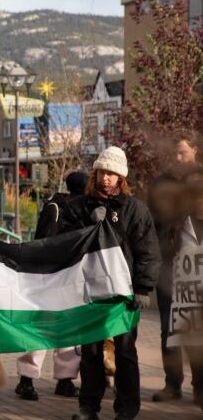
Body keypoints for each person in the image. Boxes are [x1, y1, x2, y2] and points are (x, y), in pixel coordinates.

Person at [58, 146, 161, 420]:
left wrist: (143, 288)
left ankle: (127, 408)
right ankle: (88, 407)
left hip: (123, 295)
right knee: (90, 353)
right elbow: (63, 244)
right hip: (89, 293)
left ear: (120, 178)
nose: (106, 178)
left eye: (112, 174)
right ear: (96, 174)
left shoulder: (135, 210)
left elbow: (147, 251)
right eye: (103, 172)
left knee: (125, 351)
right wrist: (89, 227)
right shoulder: (77, 208)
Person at [14, 170, 88, 401]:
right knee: (45, 329)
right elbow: (43, 242)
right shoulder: (56, 208)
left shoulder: (74, 207)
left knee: (68, 330)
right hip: (51, 276)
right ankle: (27, 379)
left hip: (71, 276)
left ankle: (63, 379)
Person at [151, 130, 200, 402]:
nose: (177, 157)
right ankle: (173, 384)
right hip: (169, 265)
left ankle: (200, 386)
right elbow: (152, 222)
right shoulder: (162, 182)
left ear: (194, 150)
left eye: (182, 151)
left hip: (197, 265)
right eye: (174, 153)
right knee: (169, 327)